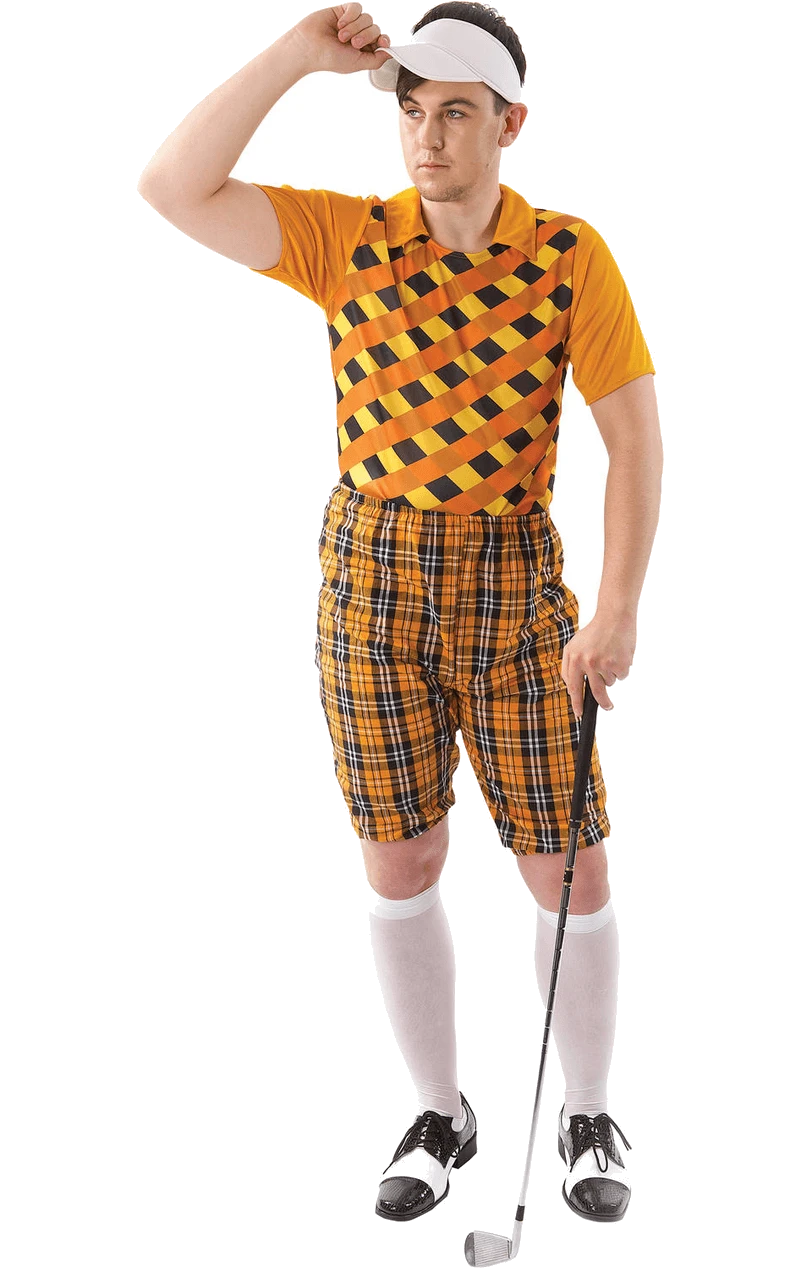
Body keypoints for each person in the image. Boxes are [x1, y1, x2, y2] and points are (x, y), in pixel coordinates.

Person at [137, 0, 661, 1226]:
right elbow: (171, 185)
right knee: (401, 853)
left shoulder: (567, 256)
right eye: (413, 112)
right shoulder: (348, 240)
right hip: (369, 577)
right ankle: (436, 1109)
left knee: (567, 859)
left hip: (511, 579)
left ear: (509, 123)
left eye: (455, 114)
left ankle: (589, 1109)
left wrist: (616, 608)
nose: (426, 137)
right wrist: (295, 58)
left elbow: (631, 435)